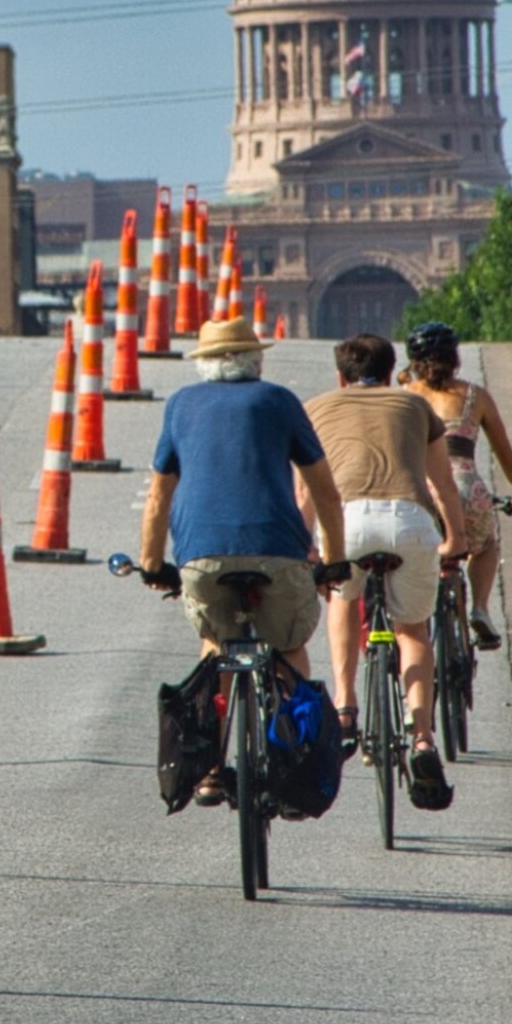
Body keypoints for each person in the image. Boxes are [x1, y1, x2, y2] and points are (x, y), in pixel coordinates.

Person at [137, 316, 350, 807]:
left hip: (203, 559)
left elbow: (157, 499)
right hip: (279, 553)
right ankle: (293, 757)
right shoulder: (278, 400)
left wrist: (152, 564)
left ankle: (211, 769)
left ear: (204, 363)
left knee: (216, 646)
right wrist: (334, 561)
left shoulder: (180, 405)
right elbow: (325, 491)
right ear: (256, 360)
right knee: (291, 644)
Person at [303, 333, 463, 810]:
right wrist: (455, 539)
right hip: (408, 522)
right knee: (412, 628)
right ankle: (422, 739)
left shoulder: (315, 409)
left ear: (341, 376)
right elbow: (443, 485)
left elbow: (305, 495)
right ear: (395, 369)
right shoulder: (416, 407)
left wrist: (310, 551)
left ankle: (346, 706)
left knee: (343, 599)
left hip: (347, 523)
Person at [402, 324, 512, 649]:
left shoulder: (405, 396)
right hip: (465, 487)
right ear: (455, 359)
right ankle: (479, 607)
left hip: (417, 492)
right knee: (484, 545)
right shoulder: (476, 397)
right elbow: (506, 456)